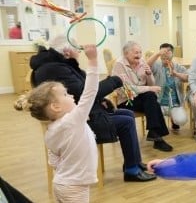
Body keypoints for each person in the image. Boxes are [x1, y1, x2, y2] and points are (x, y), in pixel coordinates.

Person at [27, 35, 156, 182]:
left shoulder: (60, 66)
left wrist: (102, 100)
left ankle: (133, 162)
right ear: (68, 52)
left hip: (81, 115)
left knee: (127, 114)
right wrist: (115, 81)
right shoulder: (55, 69)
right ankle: (132, 171)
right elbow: (85, 93)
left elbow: (86, 89)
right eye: (78, 50)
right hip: (76, 125)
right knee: (125, 122)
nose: (80, 52)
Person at [16, 44, 99, 202]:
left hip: (61, 183)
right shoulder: (71, 122)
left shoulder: (52, 130)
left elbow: (54, 160)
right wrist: (93, 61)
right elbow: (90, 93)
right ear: (56, 106)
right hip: (75, 187)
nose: (72, 96)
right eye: (66, 94)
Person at [112, 41, 173, 152]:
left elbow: (151, 84)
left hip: (142, 98)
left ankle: (154, 133)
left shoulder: (142, 62)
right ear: (126, 53)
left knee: (151, 97)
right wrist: (149, 89)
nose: (139, 55)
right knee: (152, 99)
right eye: (136, 52)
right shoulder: (119, 65)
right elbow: (126, 90)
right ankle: (157, 137)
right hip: (127, 100)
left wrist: (149, 75)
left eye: (140, 52)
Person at [146, 43, 189, 131]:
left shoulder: (178, 67)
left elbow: (188, 78)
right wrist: (157, 54)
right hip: (159, 103)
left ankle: (173, 119)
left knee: (182, 120)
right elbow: (146, 65)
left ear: (172, 53)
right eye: (163, 52)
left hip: (174, 103)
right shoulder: (157, 65)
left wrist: (176, 74)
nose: (165, 54)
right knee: (157, 122)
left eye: (168, 52)